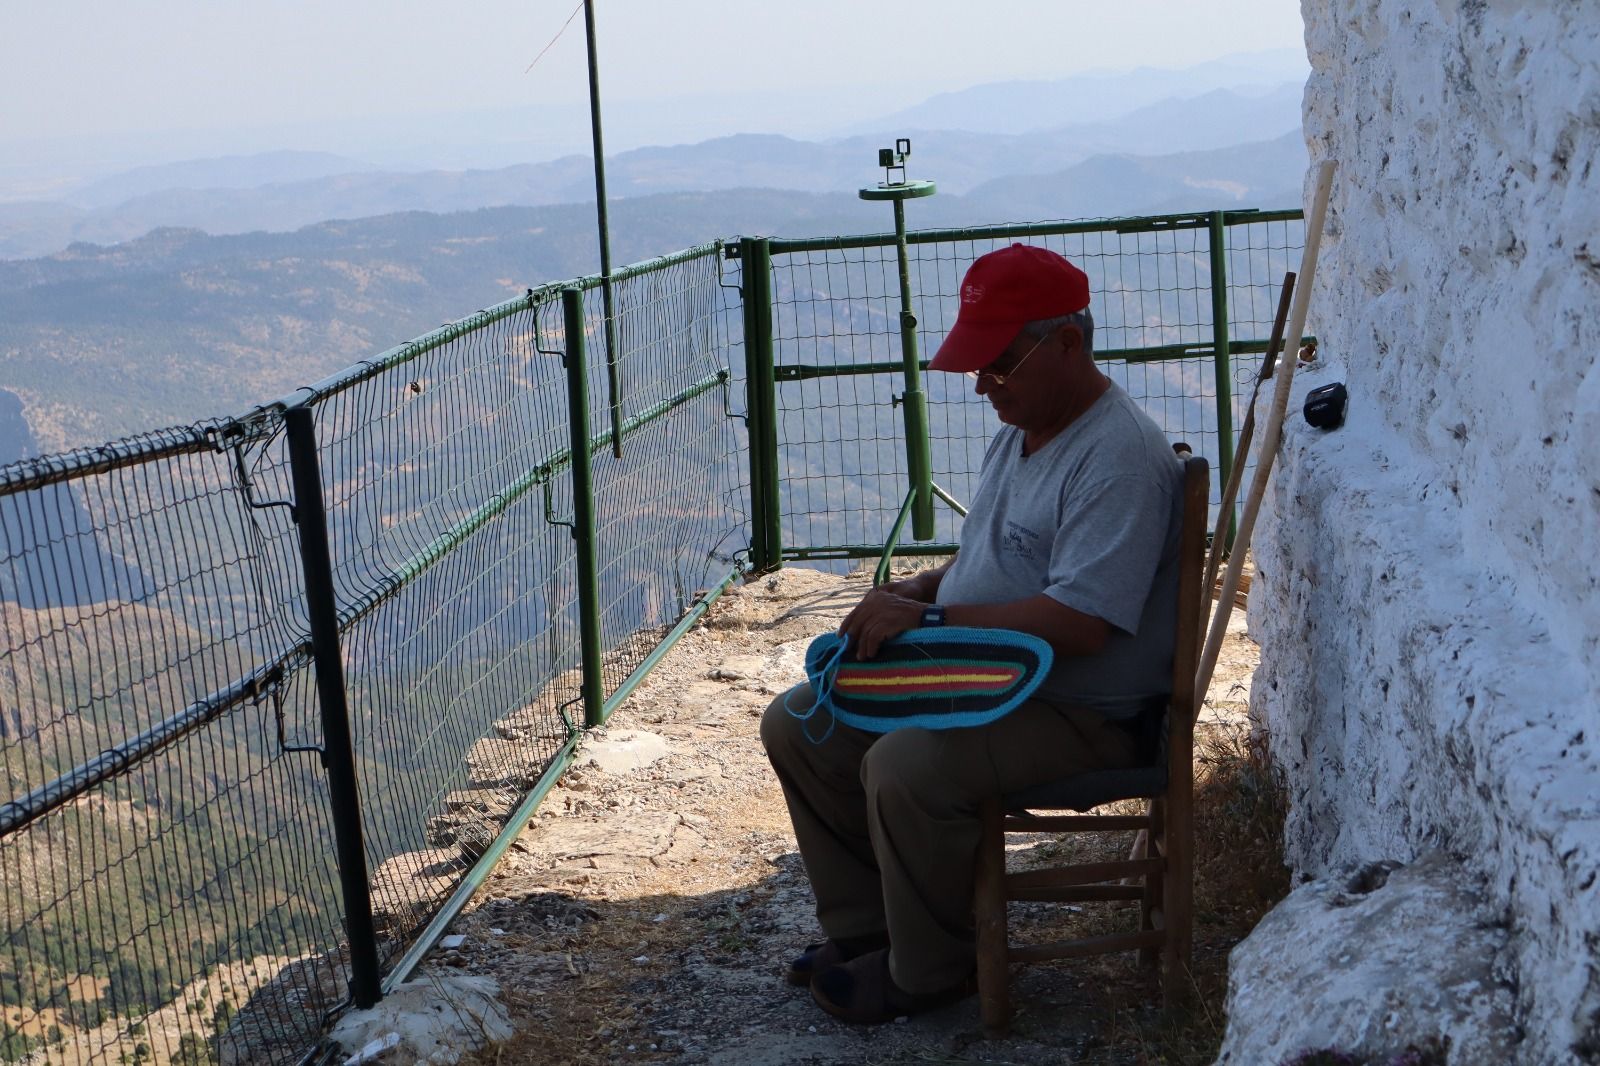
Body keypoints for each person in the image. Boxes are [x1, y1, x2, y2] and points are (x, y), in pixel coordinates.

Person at [759, 242, 1186, 1024]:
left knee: (905, 766)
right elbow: (994, 555)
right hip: (988, 678)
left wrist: (931, 618)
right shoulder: (1023, 427)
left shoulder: (1117, 456)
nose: (985, 384)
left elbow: (1082, 623)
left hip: (1080, 711)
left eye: (1000, 364)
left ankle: (930, 971)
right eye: (978, 366)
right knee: (798, 724)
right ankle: (868, 929)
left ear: (1068, 342)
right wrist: (922, 587)